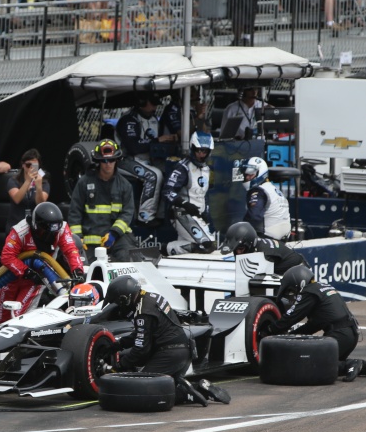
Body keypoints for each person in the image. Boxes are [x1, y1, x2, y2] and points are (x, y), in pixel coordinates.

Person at [105, 275, 230, 405]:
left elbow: (141, 350)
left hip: (169, 355)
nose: (119, 306)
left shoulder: (143, 312)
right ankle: (199, 388)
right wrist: (119, 344)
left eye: (118, 302)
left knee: (141, 389)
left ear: (126, 298)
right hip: (183, 351)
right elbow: (142, 334)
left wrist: (120, 365)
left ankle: (185, 394)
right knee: (160, 383)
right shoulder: (151, 297)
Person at [276, 265, 366, 382]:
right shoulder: (322, 288)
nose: (292, 294)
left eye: (292, 290)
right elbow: (314, 325)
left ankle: (350, 364)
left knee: (311, 365)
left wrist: (271, 330)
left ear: (299, 283)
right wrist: (292, 335)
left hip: (339, 335)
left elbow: (291, 317)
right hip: (350, 333)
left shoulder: (308, 292)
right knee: (332, 364)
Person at [0, 201, 85, 324]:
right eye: (46, 232)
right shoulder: (21, 231)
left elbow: (71, 250)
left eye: (54, 233)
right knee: (0, 319)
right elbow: (7, 257)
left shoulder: (62, 228)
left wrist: (78, 270)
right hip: (10, 277)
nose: (50, 235)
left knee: (18, 317)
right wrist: (26, 271)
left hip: (36, 279)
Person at [68, 138, 136, 261]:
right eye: (104, 160)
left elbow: (127, 213)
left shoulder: (125, 185)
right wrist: (77, 238)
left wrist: (114, 233)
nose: (108, 164)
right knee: (87, 268)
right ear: (98, 161)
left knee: (127, 259)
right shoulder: (84, 182)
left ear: (116, 160)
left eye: (111, 160)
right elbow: (74, 212)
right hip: (90, 242)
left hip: (117, 239)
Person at [115, 94, 171, 223]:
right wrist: (157, 140)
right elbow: (133, 147)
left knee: (171, 171)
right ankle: (145, 217)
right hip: (125, 160)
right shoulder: (129, 119)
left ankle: (162, 215)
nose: (156, 106)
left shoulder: (154, 119)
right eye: (153, 103)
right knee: (154, 175)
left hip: (147, 160)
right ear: (141, 101)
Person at [163, 131, 214, 255]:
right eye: (198, 151)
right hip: (181, 214)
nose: (201, 155)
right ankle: (166, 249)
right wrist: (185, 204)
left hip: (198, 215)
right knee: (206, 245)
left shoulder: (207, 169)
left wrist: (206, 213)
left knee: (208, 246)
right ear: (192, 148)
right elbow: (167, 191)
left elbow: (204, 195)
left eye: (204, 151)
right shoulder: (183, 167)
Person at [221, 221, 306, 276]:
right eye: (236, 250)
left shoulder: (263, 255)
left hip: (299, 273)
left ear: (250, 244)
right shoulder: (257, 245)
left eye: (241, 249)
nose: (238, 252)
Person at [242, 156, 290, 241]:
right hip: (283, 239)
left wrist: (240, 229)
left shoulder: (258, 191)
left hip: (267, 239)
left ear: (261, 172)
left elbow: (253, 217)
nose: (247, 177)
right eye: (246, 174)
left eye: (250, 174)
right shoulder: (273, 189)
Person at [7, 148, 50, 229]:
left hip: (35, 226)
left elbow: (40, 203)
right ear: (23, 165)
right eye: (28, 165)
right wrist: (27, 181)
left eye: (34, 166)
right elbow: (17, 199)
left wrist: (39, 187)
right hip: (16, 225)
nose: (31, 168)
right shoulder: (13, 181)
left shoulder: (44, 182)